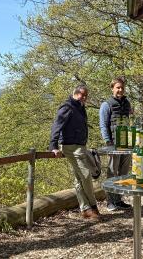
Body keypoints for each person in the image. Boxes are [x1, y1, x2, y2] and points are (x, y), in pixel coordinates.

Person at [49, 85, 102, 222]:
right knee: (85, 175)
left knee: (79, 178)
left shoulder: (80, 107)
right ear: (75, 93)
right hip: (70, 147)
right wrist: (53, 146)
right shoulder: (67, 107)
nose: (84, 98)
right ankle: (90, 206)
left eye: (86, 96)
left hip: (80, 146)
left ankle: (87, 209)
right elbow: (57, 125)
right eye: (82, 95)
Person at [98, 76, 133, 211]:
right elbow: (103, 125)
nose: (120, 90)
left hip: (125, 143)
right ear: (112, 88)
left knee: (123, 172)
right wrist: (108, 142)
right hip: (113, 143)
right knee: (112, 172)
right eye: (118, 87)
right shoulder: (106, 104)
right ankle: (110, 202)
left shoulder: (127, 103)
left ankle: (118, 200)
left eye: (122, 87)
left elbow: (128, 122)